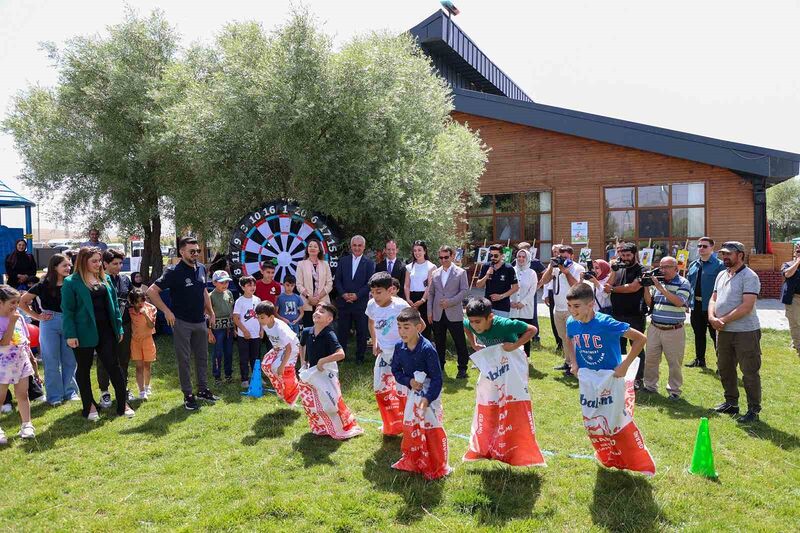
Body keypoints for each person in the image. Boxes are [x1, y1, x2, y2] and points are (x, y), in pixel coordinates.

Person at [62, 247, 134, 420]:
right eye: (93, 261)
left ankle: (123, 404)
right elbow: (68, 311)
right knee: (84, 369)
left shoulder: (105, 278)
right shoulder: (71, 282)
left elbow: (115, 307)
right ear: (83, 261)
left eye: (99, 260)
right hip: (82, 333)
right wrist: (71, 335)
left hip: (107, 331)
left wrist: (119, 328)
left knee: (114, 367)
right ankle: (90, 406)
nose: (98, 264)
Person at [147, 237, 218, 411]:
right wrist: (167, 311)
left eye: (197, 251)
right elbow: (151, 291)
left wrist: (211, 312)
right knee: (184, 360)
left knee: (202, 357)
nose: (195, 254)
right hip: (182, 322)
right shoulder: (173, 271)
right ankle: (188, 394)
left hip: (200, 320)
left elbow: (203, 291)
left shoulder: (201, 268)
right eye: (192, 251)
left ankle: (203, 390)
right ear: (182, 252)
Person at [390, 306, 450, 479]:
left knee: (431, 427)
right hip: (412, 392)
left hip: (430, 395)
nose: (402, 332)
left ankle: (436, 462)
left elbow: (437, 378)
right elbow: (396, 371)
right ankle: (414, 457)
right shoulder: (399, 347)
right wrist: (408, 381)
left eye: (406, 327)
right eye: (399, 327)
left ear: (418, 327)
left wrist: (427, 398)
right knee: (411, 425)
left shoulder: (427, 349)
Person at [708, 241, 762, 424]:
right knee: (725, 368)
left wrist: (722, 320)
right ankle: (731, 403)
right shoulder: (721, 274)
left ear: (740, 255)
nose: (725, 257)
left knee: (749, 371)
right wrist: (711, 317)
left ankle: (753, 409)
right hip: (723, 331)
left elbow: (747, 306)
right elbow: (713, 299)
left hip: (745, 332)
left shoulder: (750, 276)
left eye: (729, 254)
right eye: (723, 254)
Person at [19, 253, 78, 406]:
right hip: (49, 323)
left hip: (69, 321)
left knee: (70, 360)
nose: (68, 267)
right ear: (54, 267)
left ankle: (70, 392)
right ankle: (54, 396)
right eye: (65, 265)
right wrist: (37, 317)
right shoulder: (42, 285)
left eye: (69, 265)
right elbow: (22, 302)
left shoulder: (72, 283)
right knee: (51, 360)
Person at [564, 282, 647, 378]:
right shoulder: (571, 322)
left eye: (576, 306)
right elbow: (569, 337)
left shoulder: (606, 323)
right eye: (569, 305)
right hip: (586, 375)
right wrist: (573, 362)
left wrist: (624, 366)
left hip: (611, 376)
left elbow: (641, 339)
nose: (572, 310)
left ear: (591, 305)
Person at [641, 256, 690, 399]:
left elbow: (679, 302)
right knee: (651, 359)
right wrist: (645, 286)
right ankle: (650, 386)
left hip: (674, 329)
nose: (663, 270)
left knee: (674, 362)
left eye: (667, 267)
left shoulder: (683, 282)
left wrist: (660, 288)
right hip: (655, 327)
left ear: (676, 268)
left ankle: (674, 391)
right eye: (661, 267)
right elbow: (650, 303)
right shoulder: (658, 282)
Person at [603, 242, 647, 388]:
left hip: (634, 315)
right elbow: (606, 286)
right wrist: (614, 271)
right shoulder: (618, 267)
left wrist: (613, 289)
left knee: (636, 346)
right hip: (616, 313)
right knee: (618, 346)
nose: (625, 258)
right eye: (622, 255)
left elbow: (633, 288)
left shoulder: (641, 269)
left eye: (628, 255)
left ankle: (638, 378)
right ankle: (620, 374)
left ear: (635, 254)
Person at [0, 286, 38, 443]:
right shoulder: (8, 320)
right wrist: (11, 323)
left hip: (20, 362)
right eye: (12, 302)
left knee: (23, 394)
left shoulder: (19, 318)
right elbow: (3, 343)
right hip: (2, 365)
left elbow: (25, 340)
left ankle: (26, 424)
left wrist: (32, 360)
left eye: (17, 302)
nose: (16, 306)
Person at [541, 245, 585, 375]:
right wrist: (551, 267)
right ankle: (568, 362)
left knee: (572, 338)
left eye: (566, 257)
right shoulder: (556, 268)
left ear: (572, 256)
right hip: (558, 308)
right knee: (563, 337)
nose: (563, 260)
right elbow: (544, 281)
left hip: (571, 309)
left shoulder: (578, 268)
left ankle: (576, 365)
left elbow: (577, 287)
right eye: (561, 257)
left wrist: (566, 272)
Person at [427, 245, 470, 377]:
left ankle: (462, 368)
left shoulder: (461, 272)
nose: (443, 260)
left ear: (452, 256)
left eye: (446, 257)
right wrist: (429, 311)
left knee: (459, 341)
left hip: (454, 313)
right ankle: (440, 366)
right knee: (439, 342)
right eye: (441, 257)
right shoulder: (435, 273)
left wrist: (450, 302)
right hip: (437, 313)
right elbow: (431, 293)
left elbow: (464, 291)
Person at [97, 248, 133, 406]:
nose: (119, 266)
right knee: (104, 360)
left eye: (121, 263)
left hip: (124, 325)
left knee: (123, 359)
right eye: (115, 263)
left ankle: (123, 387)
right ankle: (104, 391)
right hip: (104, 327)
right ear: (105, 264)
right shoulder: (98, 280)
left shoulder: (125, 280)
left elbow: (131, 298)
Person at [334, 235, 375, 363]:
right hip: (344, 302)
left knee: (362, 331)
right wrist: (343, 294)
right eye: (354, 245)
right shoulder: (343, 261)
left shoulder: (369, 263)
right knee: (342, 331)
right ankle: (341, 356)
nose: (357, 248)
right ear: (351, 246)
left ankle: (360, 357)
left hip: (360, 302)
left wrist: (357, 295)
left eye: (359, 245)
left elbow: (370, 283)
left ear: (364, 247)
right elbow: (338, 280)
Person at [686, 237, 725, 368]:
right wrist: (687, 301)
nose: (701, 249)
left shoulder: (720, 265)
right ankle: (699, 360)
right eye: (699, 246)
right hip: (695, 306)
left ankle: (722, 364)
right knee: (698, 334)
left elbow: (723, 287)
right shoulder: (693, 265)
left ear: (712, 248)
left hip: (712, 307)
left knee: (716, 337)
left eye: (704, 246)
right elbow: (689, 285)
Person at [256, 301, 300, 404]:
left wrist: (282, 366)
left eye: (261, 317)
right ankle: (281, 387)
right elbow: (273, 337)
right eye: (258, 317)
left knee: (281, 369)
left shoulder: (280, 328)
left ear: (271, 317)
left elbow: (289, 348)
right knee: (266, 365)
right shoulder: (265, 323)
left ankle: (294, 389)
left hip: (291, 348)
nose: (259, 320)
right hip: (279, 347)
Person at [463, 296, 537, 352]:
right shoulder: (470, 324)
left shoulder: (504, 324)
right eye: (471, 321)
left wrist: (514, 346)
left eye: (478, 322)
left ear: (490, 317)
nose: (474, 326)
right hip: (494, 355)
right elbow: (466, 325)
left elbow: (532, 330)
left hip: (513, 354)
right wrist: (474, 344)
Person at [295, 238, 333, 328]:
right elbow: (299, 285)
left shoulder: (325, 264)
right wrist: (309, 297)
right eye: (310, 246)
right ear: (307, 249)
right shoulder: (301, 264)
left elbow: (329, 284)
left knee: (323, 329)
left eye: (315, 246)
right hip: (307, 302)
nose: (312, 248)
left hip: (322, 302)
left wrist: (318, 297)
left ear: (319, 249)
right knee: (309, 329)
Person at [233, 275, 262, 388]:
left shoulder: (257, 300)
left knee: (256, 357)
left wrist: (261, 329)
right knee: (244, 357)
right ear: (243, 287)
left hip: (256, 335)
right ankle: (244, 379)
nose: (252, 287)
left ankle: (257, 377)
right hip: (243, 335)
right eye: (249, 285)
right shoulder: (240, 301)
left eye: (254, 285)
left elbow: (260, 316)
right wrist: (244, 331)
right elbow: (236, 318)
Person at [403, 240, 436, 338]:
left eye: (419, 250)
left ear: (425, 251)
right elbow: (407, 285)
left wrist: (422, 300)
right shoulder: (409, 267)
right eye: (415, 250)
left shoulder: (431, 266)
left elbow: (429, 286)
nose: (417, 253)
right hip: (412, 299)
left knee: (424, 326)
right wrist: (408, 299)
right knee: (411, 324)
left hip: (425, 298)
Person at [476, 243, 519, 318]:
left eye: (495, 255)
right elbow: (478, 285)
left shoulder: (508, 268)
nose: (493, 258)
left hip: (503, 307)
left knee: (501, 329)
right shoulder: (486, 266)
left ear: (502, 255)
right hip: (488, 306)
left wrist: (501, 296)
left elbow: (516, 287)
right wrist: (487, 275)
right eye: (491, 255)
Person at [128, 288, 157, 400]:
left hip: (148, 340)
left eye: (142, 301)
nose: (140, 304)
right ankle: (141, 391)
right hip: (135, 342)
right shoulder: (129, 311)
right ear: (132, 302)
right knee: (139, 367)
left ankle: (147, 386)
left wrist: (145, 315)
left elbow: (151, 326)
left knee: (147, 366)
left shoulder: (151, 308)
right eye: (137, 301)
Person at [510, 248, 539, 357]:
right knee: (512, 332)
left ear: (527, 258)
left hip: (526, 308)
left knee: (524, 333)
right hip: (512, 308)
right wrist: (510, 302)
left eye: (523, 257)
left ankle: (525, 357)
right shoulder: (511, 270)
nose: (521, 259)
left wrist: (523, 302)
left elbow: (532, 290)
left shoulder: (532, 273)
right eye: (519, 257)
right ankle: (513, 356)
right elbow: (506, 288)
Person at [208, 270, 235, 385]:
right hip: (217, 329)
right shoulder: (210, 296)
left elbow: (232, 309)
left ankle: (228, 374)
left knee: (229, 352)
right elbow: (207, 315)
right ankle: (217, 376)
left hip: (229, 328)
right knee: (218, 353)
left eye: (226, 282)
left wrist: (235, 327)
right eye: (221, 282)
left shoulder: (229, 293)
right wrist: (209, 332)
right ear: (214, 282)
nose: (225, 285)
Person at [541, 244, 563, 350]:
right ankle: (558, 342)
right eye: (554, 252)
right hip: (552, 291)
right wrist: (545, 295)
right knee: (554, 318)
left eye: (558, 251)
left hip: (563, 293)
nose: (556, 253)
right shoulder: (551, 264)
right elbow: (546, 281)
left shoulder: (565, 263)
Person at [781, 242, 800, 358]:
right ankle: (798, 346)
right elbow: (787, 274)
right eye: (798, 251)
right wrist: (798, 262)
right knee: (795, 323)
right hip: (794, 298)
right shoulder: (788, 264)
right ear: (794, 253)